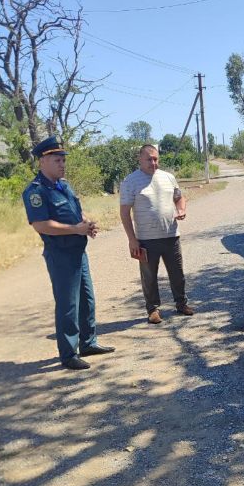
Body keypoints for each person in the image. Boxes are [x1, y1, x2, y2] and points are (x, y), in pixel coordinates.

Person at [22, 136, 115, 371]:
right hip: (60, 255)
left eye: (63, 160)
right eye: (57, 160)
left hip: (78, 252)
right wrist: (75, 229)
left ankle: (88, 343)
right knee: (68, 305)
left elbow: (76, 212)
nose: (62, 164)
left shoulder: (64, 185)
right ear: (42, 161)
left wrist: (86, 223)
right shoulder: (36, 191)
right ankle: (68, 353)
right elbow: (40, 225)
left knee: (87, 299)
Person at [119, 144, 194, 324]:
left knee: (178, 273)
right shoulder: (130, 181)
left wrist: (181, 209)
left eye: (155, 159)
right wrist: (132, 239)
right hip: (146, 239)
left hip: (171, 235)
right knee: (149, 276)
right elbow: (124, 212)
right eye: (149, 159)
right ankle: (152, 309)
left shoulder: (168, 177)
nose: (153, 162)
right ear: (140, 160)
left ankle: (181, 303)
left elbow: (179, 197)